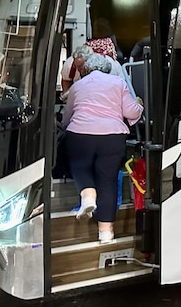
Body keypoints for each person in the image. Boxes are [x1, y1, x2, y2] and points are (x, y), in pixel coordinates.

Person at [61, 53, 143, 243]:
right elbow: (131, 111)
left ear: (86, 69)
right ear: (107, 69)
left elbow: (67, 116)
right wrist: (139, 105)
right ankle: (105, 233)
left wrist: (67, 125)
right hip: (112, 137)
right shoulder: (118, 83)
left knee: (80, 166)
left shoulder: (78, 86)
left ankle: (88, 196)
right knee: (108, 181)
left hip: (80, 134)